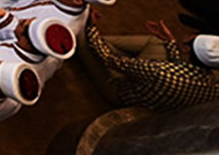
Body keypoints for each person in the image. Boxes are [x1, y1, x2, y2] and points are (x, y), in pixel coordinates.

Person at [83, 22, 219, 110]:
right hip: (152, 88)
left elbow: (110, 60)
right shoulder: (214, 86)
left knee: (85, 42)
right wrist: (170, 41)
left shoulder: (160, 70)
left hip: (119, 91)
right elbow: (181, 67)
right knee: (158, 42)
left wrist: (91, 27)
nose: (188, 35)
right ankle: (105, 43)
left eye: (192, 36)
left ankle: (96, 41)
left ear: (186, 49)